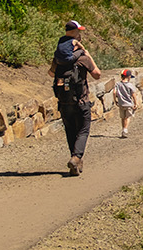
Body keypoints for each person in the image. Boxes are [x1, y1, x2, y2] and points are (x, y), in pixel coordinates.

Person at [49, 20, 101, 176]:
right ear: (75, 35)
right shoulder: (82, 58)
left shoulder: (58, 57)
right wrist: (88, 55)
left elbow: (51, 73)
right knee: (83, 130)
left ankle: (75, 160)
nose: (81, 34)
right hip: (81, 100)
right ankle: (76, 157)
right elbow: (97, 75)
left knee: (70, 131)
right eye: (79, 32)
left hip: (64, 101)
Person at [114, 69, 141, 138]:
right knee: (128, 117)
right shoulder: (130, 85)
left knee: (123, 117)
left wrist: (115, 100)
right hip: (128, 103)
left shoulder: (118, 84)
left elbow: (114, 92)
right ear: (129, 77)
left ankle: (123, 129)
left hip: (121, 103)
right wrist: (136, 103)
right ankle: (125, 130)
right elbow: (133, 95)